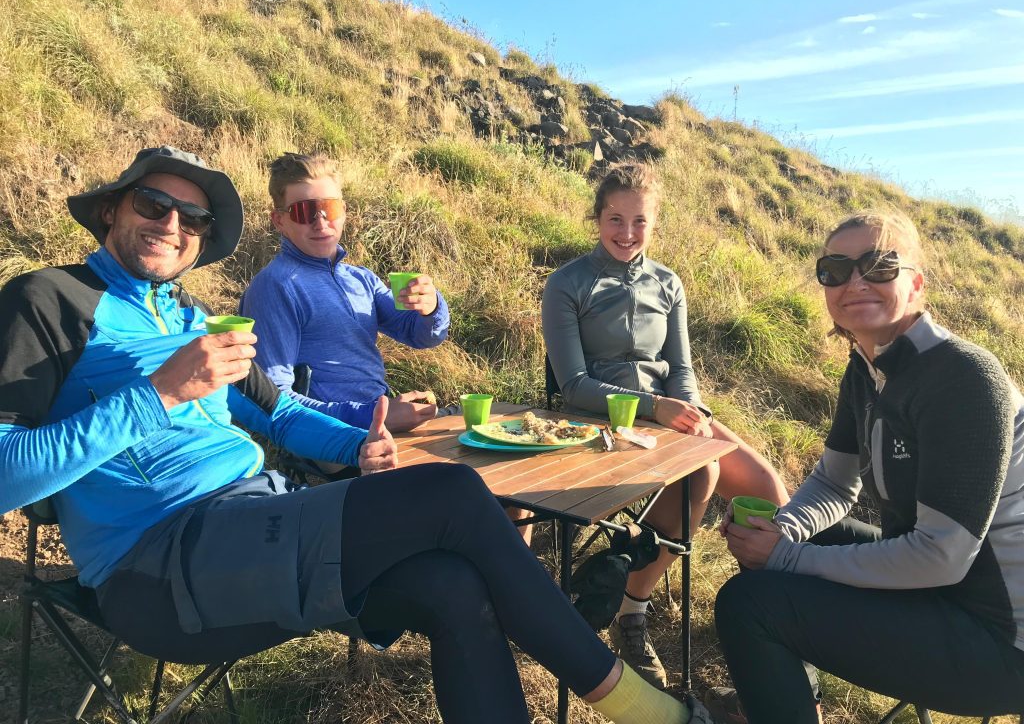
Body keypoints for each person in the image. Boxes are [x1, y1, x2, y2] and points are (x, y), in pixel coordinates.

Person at [0, 146, 719, 724]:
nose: (173, 225)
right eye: (154, 204)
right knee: (451, 494)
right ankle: (648, 711)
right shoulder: (49, 301)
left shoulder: (191, 319)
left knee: (451, 582)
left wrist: (359, 446)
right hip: (156, 566)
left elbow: (278, 413)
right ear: (108, 210)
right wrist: (156, 395)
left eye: (192, 219)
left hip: (252, 518)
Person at [714, 210, 1024, 724]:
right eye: (835, 269)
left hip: (999, 638)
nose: (854, 281)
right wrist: (783, 530)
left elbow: (940, 558)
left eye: (878, 265)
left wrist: (785, 560)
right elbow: (835, 483)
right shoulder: (865, 368)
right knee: (798, 538)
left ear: (917, 284)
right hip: (944, 590)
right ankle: (791, 698)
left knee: (747, 603)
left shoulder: (964, 378)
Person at [542, 163, 789, 690]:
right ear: (597, 217)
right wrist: (655, 409)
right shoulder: (566, 284)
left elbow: (681, 368)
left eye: (640, 222)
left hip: (670, 413)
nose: (627, 234)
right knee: (700, 476)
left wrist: (690, 414)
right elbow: (574, 385)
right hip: (603, 417)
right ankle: (633, 611)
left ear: (654, 224)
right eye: (615, 219)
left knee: (768, 488)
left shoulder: (668, 282)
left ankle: (770, 631)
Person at [239, 152, 448, 434]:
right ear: (279, 221)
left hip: (378, 421)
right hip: (332, 439)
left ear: (345, 211)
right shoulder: (275, 286)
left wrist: (431, 306)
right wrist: (375, 416)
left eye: (330, 209)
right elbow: (274, 399)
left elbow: (422, 336)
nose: (321, 223)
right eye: (304, 212)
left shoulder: (361, 279)